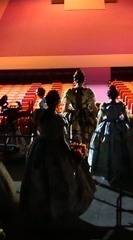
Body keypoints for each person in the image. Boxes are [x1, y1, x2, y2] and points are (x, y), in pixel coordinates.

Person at [20, 89, 95, 225]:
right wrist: (72, 155)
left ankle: (40, 209)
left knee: (39, 178)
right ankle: (57, 210)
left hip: (40, 146)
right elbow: (62, 140)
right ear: (58, 103)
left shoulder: (39, 115)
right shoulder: (58, 119)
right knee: (58, 178)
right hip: (54, 149)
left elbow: (37, 131)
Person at [89, 85, 133, 190]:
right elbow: (126, 119)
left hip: (106, 127)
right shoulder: (120, 105)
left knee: (106, 148)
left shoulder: (104, 106)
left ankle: (107, 171)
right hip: (118, 127)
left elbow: (99, 119)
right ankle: (119, 171)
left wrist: (97, 130)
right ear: (116, 95)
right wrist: (128, 130)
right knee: (119, 148)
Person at [63, 69, 98, 148]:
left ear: (74, 80)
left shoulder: (69, 92)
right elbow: (93, 107)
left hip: (74, 117)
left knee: (75, 141)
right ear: (84, 79)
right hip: (86, 117)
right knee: (87, 140)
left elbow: (65, 109)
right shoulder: (89, 92)